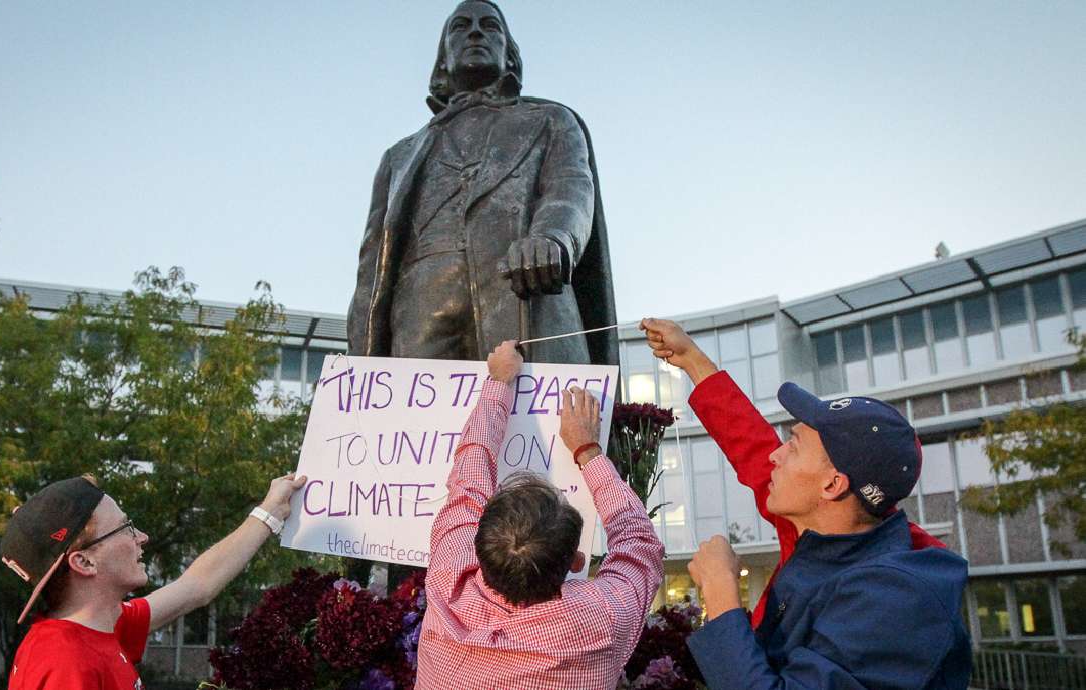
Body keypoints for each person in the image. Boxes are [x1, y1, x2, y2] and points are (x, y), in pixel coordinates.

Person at [639, 318, 971, 689]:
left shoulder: (896, 602)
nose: (775, 455)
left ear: (832, 485)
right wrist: (692, 360)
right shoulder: (830, 528)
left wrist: (721, 596)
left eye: (793, 445)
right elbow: (750, 443)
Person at [347, 0, 618, 366]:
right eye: (460, 26)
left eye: (490, 26)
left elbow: (569, 188)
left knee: (543, 423)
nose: (475, 31)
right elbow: (371, 270)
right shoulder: (399, 156)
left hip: (524, 291)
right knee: (425, 423)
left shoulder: (553, 120)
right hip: (419, 311)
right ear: (442, 60)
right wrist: (359, 366)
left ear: (510, 55)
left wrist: (552, 237)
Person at [416, 340, 664, 689]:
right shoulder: (601, 620)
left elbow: (469, 474)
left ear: (479, 546)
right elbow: (638, 544)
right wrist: (588, 450)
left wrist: (499, 382)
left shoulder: (448, 580)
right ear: (576, 562)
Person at [0, 471, 307, 689]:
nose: (142, 538)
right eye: (126, 528)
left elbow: (196, 586)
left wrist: (271, 511)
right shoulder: (67, 662)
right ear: (84, 561)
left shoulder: (102, 627)